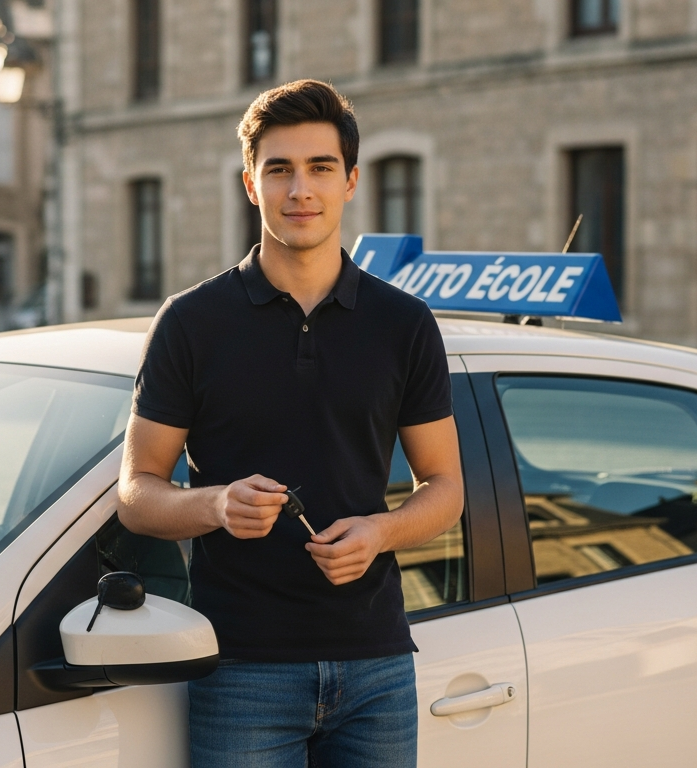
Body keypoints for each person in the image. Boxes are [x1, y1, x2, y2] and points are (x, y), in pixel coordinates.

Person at [118, 79, 463, 768]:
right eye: (279, 169)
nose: (299, 189)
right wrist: (215, 504)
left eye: (320, 168)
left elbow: (447, 486)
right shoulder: (191, 323)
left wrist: (382, 531)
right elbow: (136, 493)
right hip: (242, 667)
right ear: (251, 184)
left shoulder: (404, 325)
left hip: (377, 668)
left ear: (350, 181)